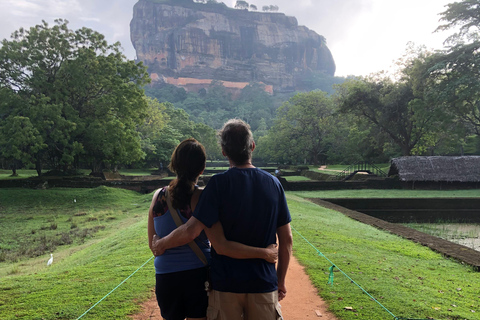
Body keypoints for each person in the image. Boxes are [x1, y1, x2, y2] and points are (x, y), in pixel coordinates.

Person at [152, 120, 293, 320]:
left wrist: (161, 243)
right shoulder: (273, 184)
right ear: (252, 146)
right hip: (263, 282)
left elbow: (195, 232)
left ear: (224, 151)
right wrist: (280, 280)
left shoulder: (217, 185)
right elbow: (286, 239)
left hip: (226, 284)